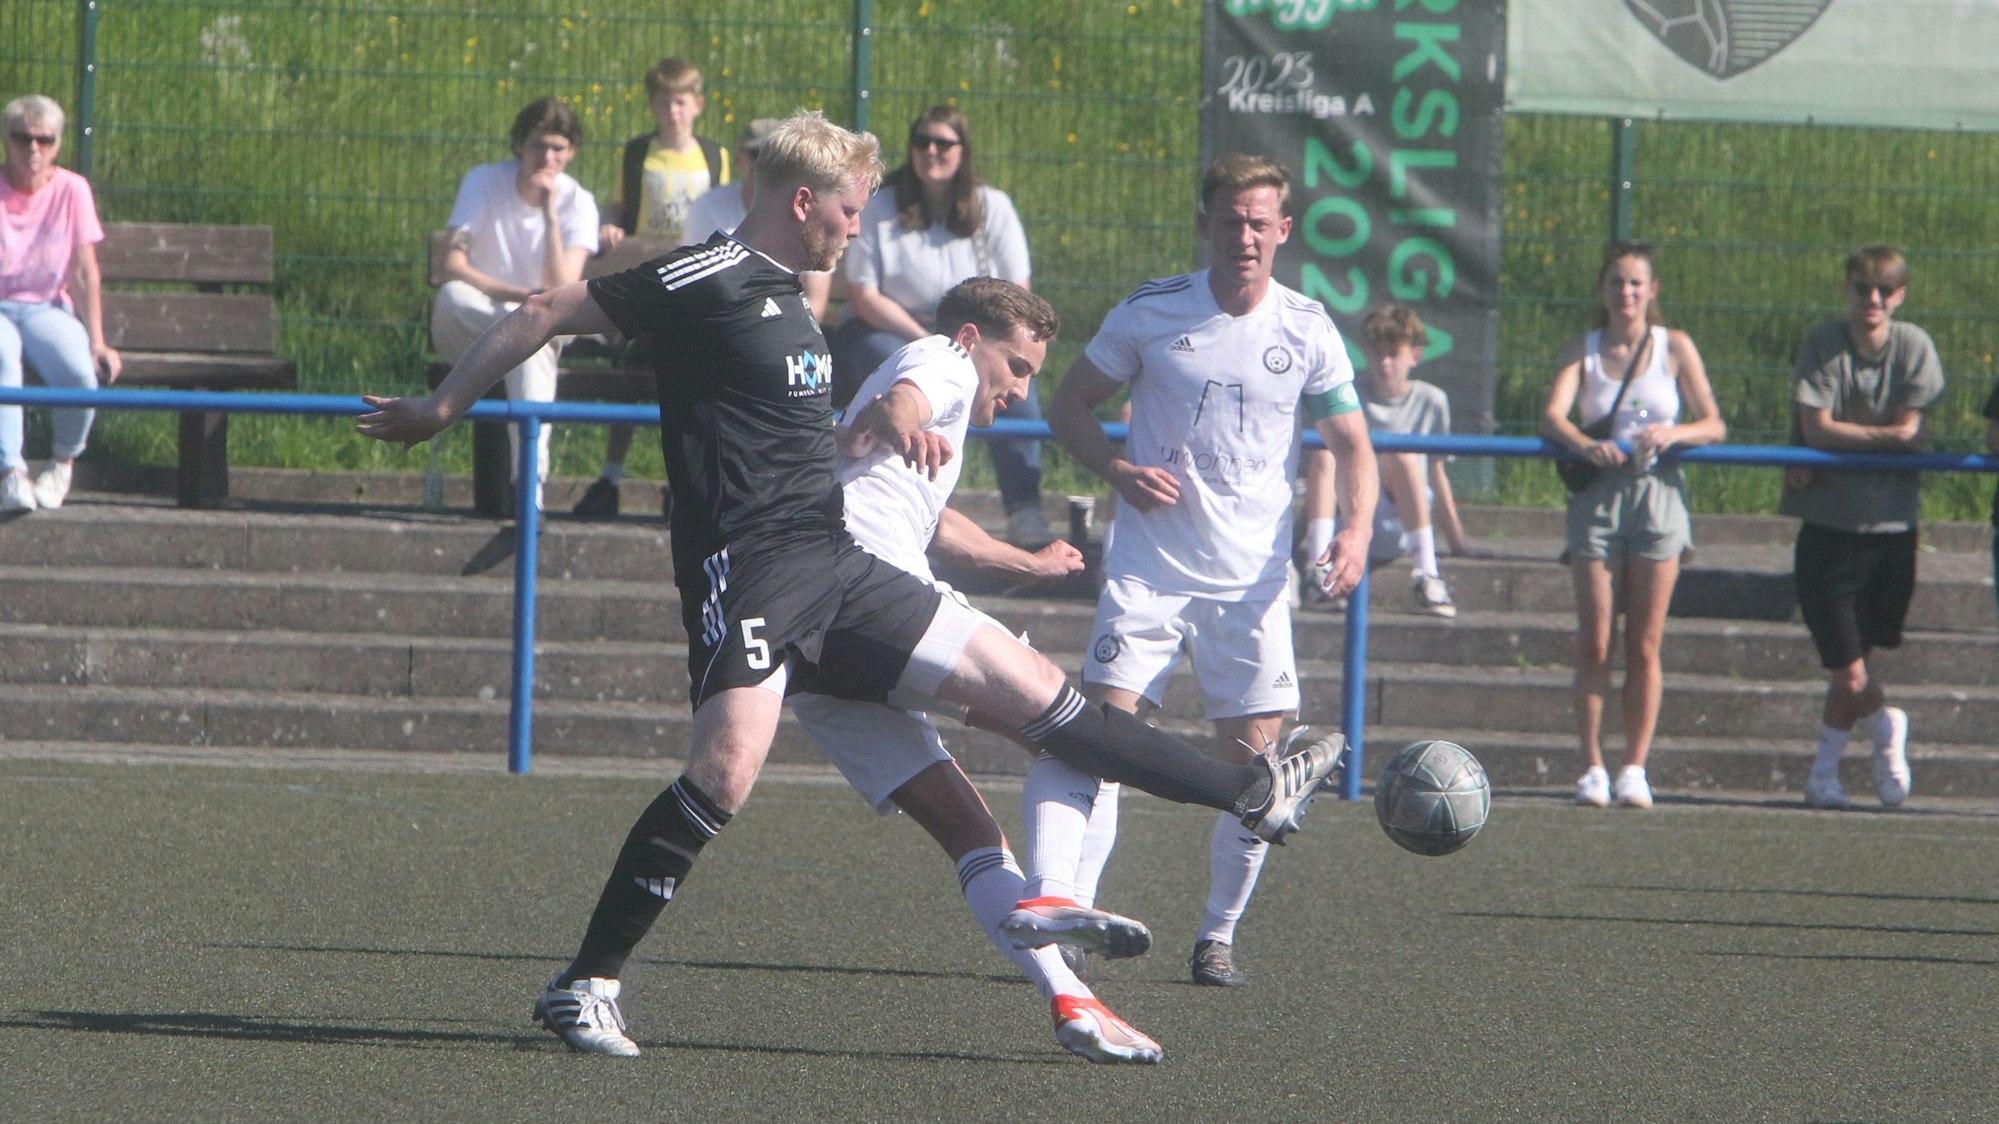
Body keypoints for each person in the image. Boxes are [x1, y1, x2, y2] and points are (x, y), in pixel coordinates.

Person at [356, 110, 1346, 1059]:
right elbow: (546, 308)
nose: (858, 225)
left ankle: (1248, 790)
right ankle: (587, 981)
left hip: (838, 562)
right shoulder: (708, 272)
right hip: (749, 566)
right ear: (802, 201)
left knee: (1042, 697)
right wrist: (441, 407)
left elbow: (850, 431)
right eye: (848, 207)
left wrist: (941, 491)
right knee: (724, 773)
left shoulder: (796, 299)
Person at [791, 276, 1161, 1064]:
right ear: (970, 338)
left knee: (972, 833)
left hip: (815, 650)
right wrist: (904, 422)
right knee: (1077, 740)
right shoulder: (945, 360)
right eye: (1017, 366)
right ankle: (1057, 894)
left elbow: (934, 518)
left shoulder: (920, 395)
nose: (1020, 388)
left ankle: (1071, 998)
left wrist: (1025, 563)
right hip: (880, 609)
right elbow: (903, 406)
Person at [1042, 153, 1378, 988]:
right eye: (1230, 220)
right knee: (1099, 743)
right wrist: (1117, 470)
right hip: (1148, 572)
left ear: (1283, 230)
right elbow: (1067, 403)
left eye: (1259, 222)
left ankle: (1216, 937)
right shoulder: (1151, 310)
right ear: (1204, 224)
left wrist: (1356, 530)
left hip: (1250, 587)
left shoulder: (1307, 327)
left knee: (1261, 771)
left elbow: (1352, 445)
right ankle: (1072, 919)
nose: (1244, 237)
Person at [1540, 242, 1725, 811]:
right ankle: (1592, 765)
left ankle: (1635, 767)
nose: (1626, 293)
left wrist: (1674, 434)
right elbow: (1552, 413)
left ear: (1652, 290)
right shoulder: (1585, 349)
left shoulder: (1675, 346)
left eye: (1636, 283)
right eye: (1617, 282)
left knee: (1644, 644)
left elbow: (1713, 423)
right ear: (1604, 289)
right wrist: (1584, 443)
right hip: (1599, 494)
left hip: (1658, 495)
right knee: (1596, 640)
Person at [832, 106, 1050, 547]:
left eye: (944, 143)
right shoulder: (882, 206)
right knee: (897, 362)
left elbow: (1018, 297)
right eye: (922, 142)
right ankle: (896, 468)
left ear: (963, 150)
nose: (931, 151)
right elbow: (863, 294)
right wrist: (934, 343)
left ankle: (1024, 507)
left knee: (1019, 390)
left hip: (973, 333)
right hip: (890, 327)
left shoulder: (994, 208)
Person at [1779, 244, 1943, 810]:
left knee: (1855, 663)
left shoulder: (1914, 345)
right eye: (1862, 288)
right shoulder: (1825, 342)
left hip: (1892, 529)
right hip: (1829, 525)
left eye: (1884, 290)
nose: (1872, 299)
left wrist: (1856, 438)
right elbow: (1817, 428)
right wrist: (1884, 438)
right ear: (1846, 291)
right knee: (1846, 664)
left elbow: (1914, 433)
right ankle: (1885, 726)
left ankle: (1823, 774)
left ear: (1899, 297)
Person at [576, 57, 729, 519]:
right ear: (652, 105)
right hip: (647, 281)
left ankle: (682, 482)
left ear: (698, 105)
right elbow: (620, 206)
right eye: (664, 103)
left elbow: (722, 211)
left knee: (693, 374)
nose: (672, 112)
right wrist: (610, 226)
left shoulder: (714, 156)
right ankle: (611, 477)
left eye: (680, 102)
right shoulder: (638, 153)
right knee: (634, 367)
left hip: (695, 285)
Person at [431, 96, 598, 513]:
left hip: (538, 329)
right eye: (539, 145)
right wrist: (520, 299)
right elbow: (451, 266)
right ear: (520, 145)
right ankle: (530, 493)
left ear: (571, 153)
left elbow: (561, 291)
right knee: (456, 298)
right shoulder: (483, 180)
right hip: (474, 321)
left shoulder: (579, 203)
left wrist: (550, 215)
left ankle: (528, 492)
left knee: (530, 341)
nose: (548, 156)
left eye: (558, 148)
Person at [1298, 303, 1482, 616]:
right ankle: (1318, 574)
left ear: (1414, 356)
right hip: (1349, 516)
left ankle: (1427, 574)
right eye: (1377, 353)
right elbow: (1321, 476)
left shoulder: (1432, 400)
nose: (1385, 363)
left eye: (1393, 354)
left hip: (1401, 521)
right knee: (1325, 453)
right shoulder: (1347, 394)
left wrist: (1458, 544)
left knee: (1402, 456)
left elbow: (1436, 474)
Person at [0, 94, 121, 513]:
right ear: (6, 140)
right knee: (1, 357)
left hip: (46, 306)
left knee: (79, 371)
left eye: (44, 139)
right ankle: (10, 472)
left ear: (57, 144)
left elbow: (85, 272)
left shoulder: (73, 190)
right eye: (22, 138)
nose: (33, 148)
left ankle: (62, 463)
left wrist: (98, 341)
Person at [683, 118, 833, 322]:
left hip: (788, 327)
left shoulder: (810, 213)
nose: (766, 164)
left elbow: (815, 302)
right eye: (757, 154)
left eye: (779, 158)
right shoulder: (707, 208)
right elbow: (696, 288)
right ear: (739, 158)